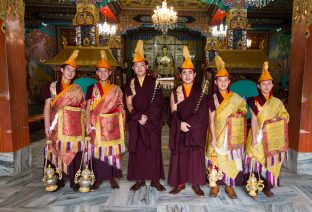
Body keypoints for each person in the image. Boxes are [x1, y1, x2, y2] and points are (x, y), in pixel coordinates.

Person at [125, 40, 166, 192]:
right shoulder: (129, 84)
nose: (139, 68)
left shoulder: (155, 82)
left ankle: (155, 180)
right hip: (136, 122)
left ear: (146, 67)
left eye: (142, 65)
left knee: (154, 150)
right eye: (136, 66)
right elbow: (128, 103)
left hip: (152, 122)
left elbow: (159, 104)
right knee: (138, 150)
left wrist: (146, 117)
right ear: (133, 68)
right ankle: (139, 179)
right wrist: (137, 116)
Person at [168, 46, 208, 196]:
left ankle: (196, 184)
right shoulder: (175, 91)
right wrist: (180, 124)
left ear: (195, 74)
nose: (187, 76)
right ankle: (180, 183)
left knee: (195, 157)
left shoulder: (201, 92)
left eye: (190, 73)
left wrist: (189, 125)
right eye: (184, 73)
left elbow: (202, 113)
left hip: (195, 130)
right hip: (180, 129)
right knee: (180, 156)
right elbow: (173, 112)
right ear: (180, 75)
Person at [244, 61, 289, 197]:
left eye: (269, 83)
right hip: (258, 135)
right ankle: (253, 185)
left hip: (272, 136)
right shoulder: (253, 100)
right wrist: (253, 139)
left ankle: (267, 186)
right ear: (259, 85)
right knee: (256, 159)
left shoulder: (277, 102)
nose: (266, 86)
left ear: (272, 85)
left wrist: (276, 120)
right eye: (263, 84)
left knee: (270, 160)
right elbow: (254, 119)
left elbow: (285, 115)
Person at [43, 50, 85, 191]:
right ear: (62, 70)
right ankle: (56, 180)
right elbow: (47, 107)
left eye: (73, 71)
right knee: (55, 150)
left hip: (73, 128)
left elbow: (82, 108)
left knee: (74, 151)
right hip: (56, 126)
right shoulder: (51, 86)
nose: (71, 73)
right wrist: (47, 126)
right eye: (68, 70)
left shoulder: (77, 88)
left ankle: (75, 179)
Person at [206, 55, 247, 199]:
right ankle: (215, 186)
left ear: (229, 81)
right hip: (217, 134)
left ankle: (230, 186)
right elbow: (211, 119)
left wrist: (237, 116)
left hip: (232, 136)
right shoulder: (213, 99)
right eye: (220, 81)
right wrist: (213, 137)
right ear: (216, 82)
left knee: (232, 160)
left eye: (225, 80)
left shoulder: (236, 98)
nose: (223, 83)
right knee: (215, 160)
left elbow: (243, 111)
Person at [85, 50, 126, 189]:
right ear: (96, 73)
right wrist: (87, 123)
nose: (103, 73)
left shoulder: (116, 89)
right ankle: (98, 177)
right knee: (96, 151)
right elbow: (87, 108)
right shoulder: (91, 88)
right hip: (95, 125)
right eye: (100, 71)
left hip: (111, 126)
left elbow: (121, 106)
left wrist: (116, 119)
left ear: (110, 73)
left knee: (112, 152)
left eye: (105, 71)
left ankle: (112, 177)